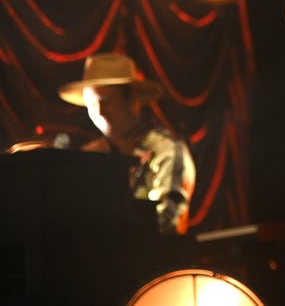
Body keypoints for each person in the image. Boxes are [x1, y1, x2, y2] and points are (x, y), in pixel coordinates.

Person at [59, 51, 196, 235]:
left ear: (133, 100)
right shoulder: (90, 157)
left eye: (106, 102)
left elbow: (167, 225)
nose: (99, 112)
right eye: (91, 104)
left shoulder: (167, 150)